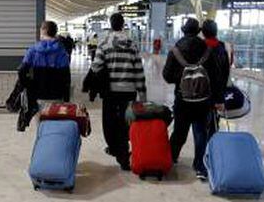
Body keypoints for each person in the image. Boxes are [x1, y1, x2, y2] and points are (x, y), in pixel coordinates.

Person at [162, 18, 225, 181]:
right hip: (203, 100)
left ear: (183, 31)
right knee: (200, 132)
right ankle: (199, 166)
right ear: (198, 32)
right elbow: (215, 77)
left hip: (182, 98)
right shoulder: (207, 49)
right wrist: (218, 98)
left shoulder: (175, 50)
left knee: (179, 131)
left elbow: (166, 76)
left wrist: (181, 78)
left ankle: (170, 158)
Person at [91, 13, 147, 171]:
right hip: (129, 91)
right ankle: (123, 150)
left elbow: (96, 67)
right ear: (123, 25)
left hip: (110, 91)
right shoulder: (132, 44)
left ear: (110, 24)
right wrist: (143, 95)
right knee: (125, 121)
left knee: (109, 121)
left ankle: (117, 150)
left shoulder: (104, 43)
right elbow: (139, 70)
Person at [19, 21, 71, 107]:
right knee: (55, 118)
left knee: (37, 119)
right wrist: (66, 98)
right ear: (55, 32)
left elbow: (22, 71)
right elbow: (66, 77)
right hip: (56, 94)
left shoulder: (32, 50)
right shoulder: (61, 51)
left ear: (43, 31)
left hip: (36, 95)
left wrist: (29, 85)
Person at [201, 19, 230, 140]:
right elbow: (224, 75)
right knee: (213, 124)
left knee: (200, 126)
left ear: (203, 32)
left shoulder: (199, 47)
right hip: (215, 94)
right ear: (216, 32)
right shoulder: (221, 48)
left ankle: (200, 156)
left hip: (199, 93)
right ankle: (212, 152)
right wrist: (220, 98)